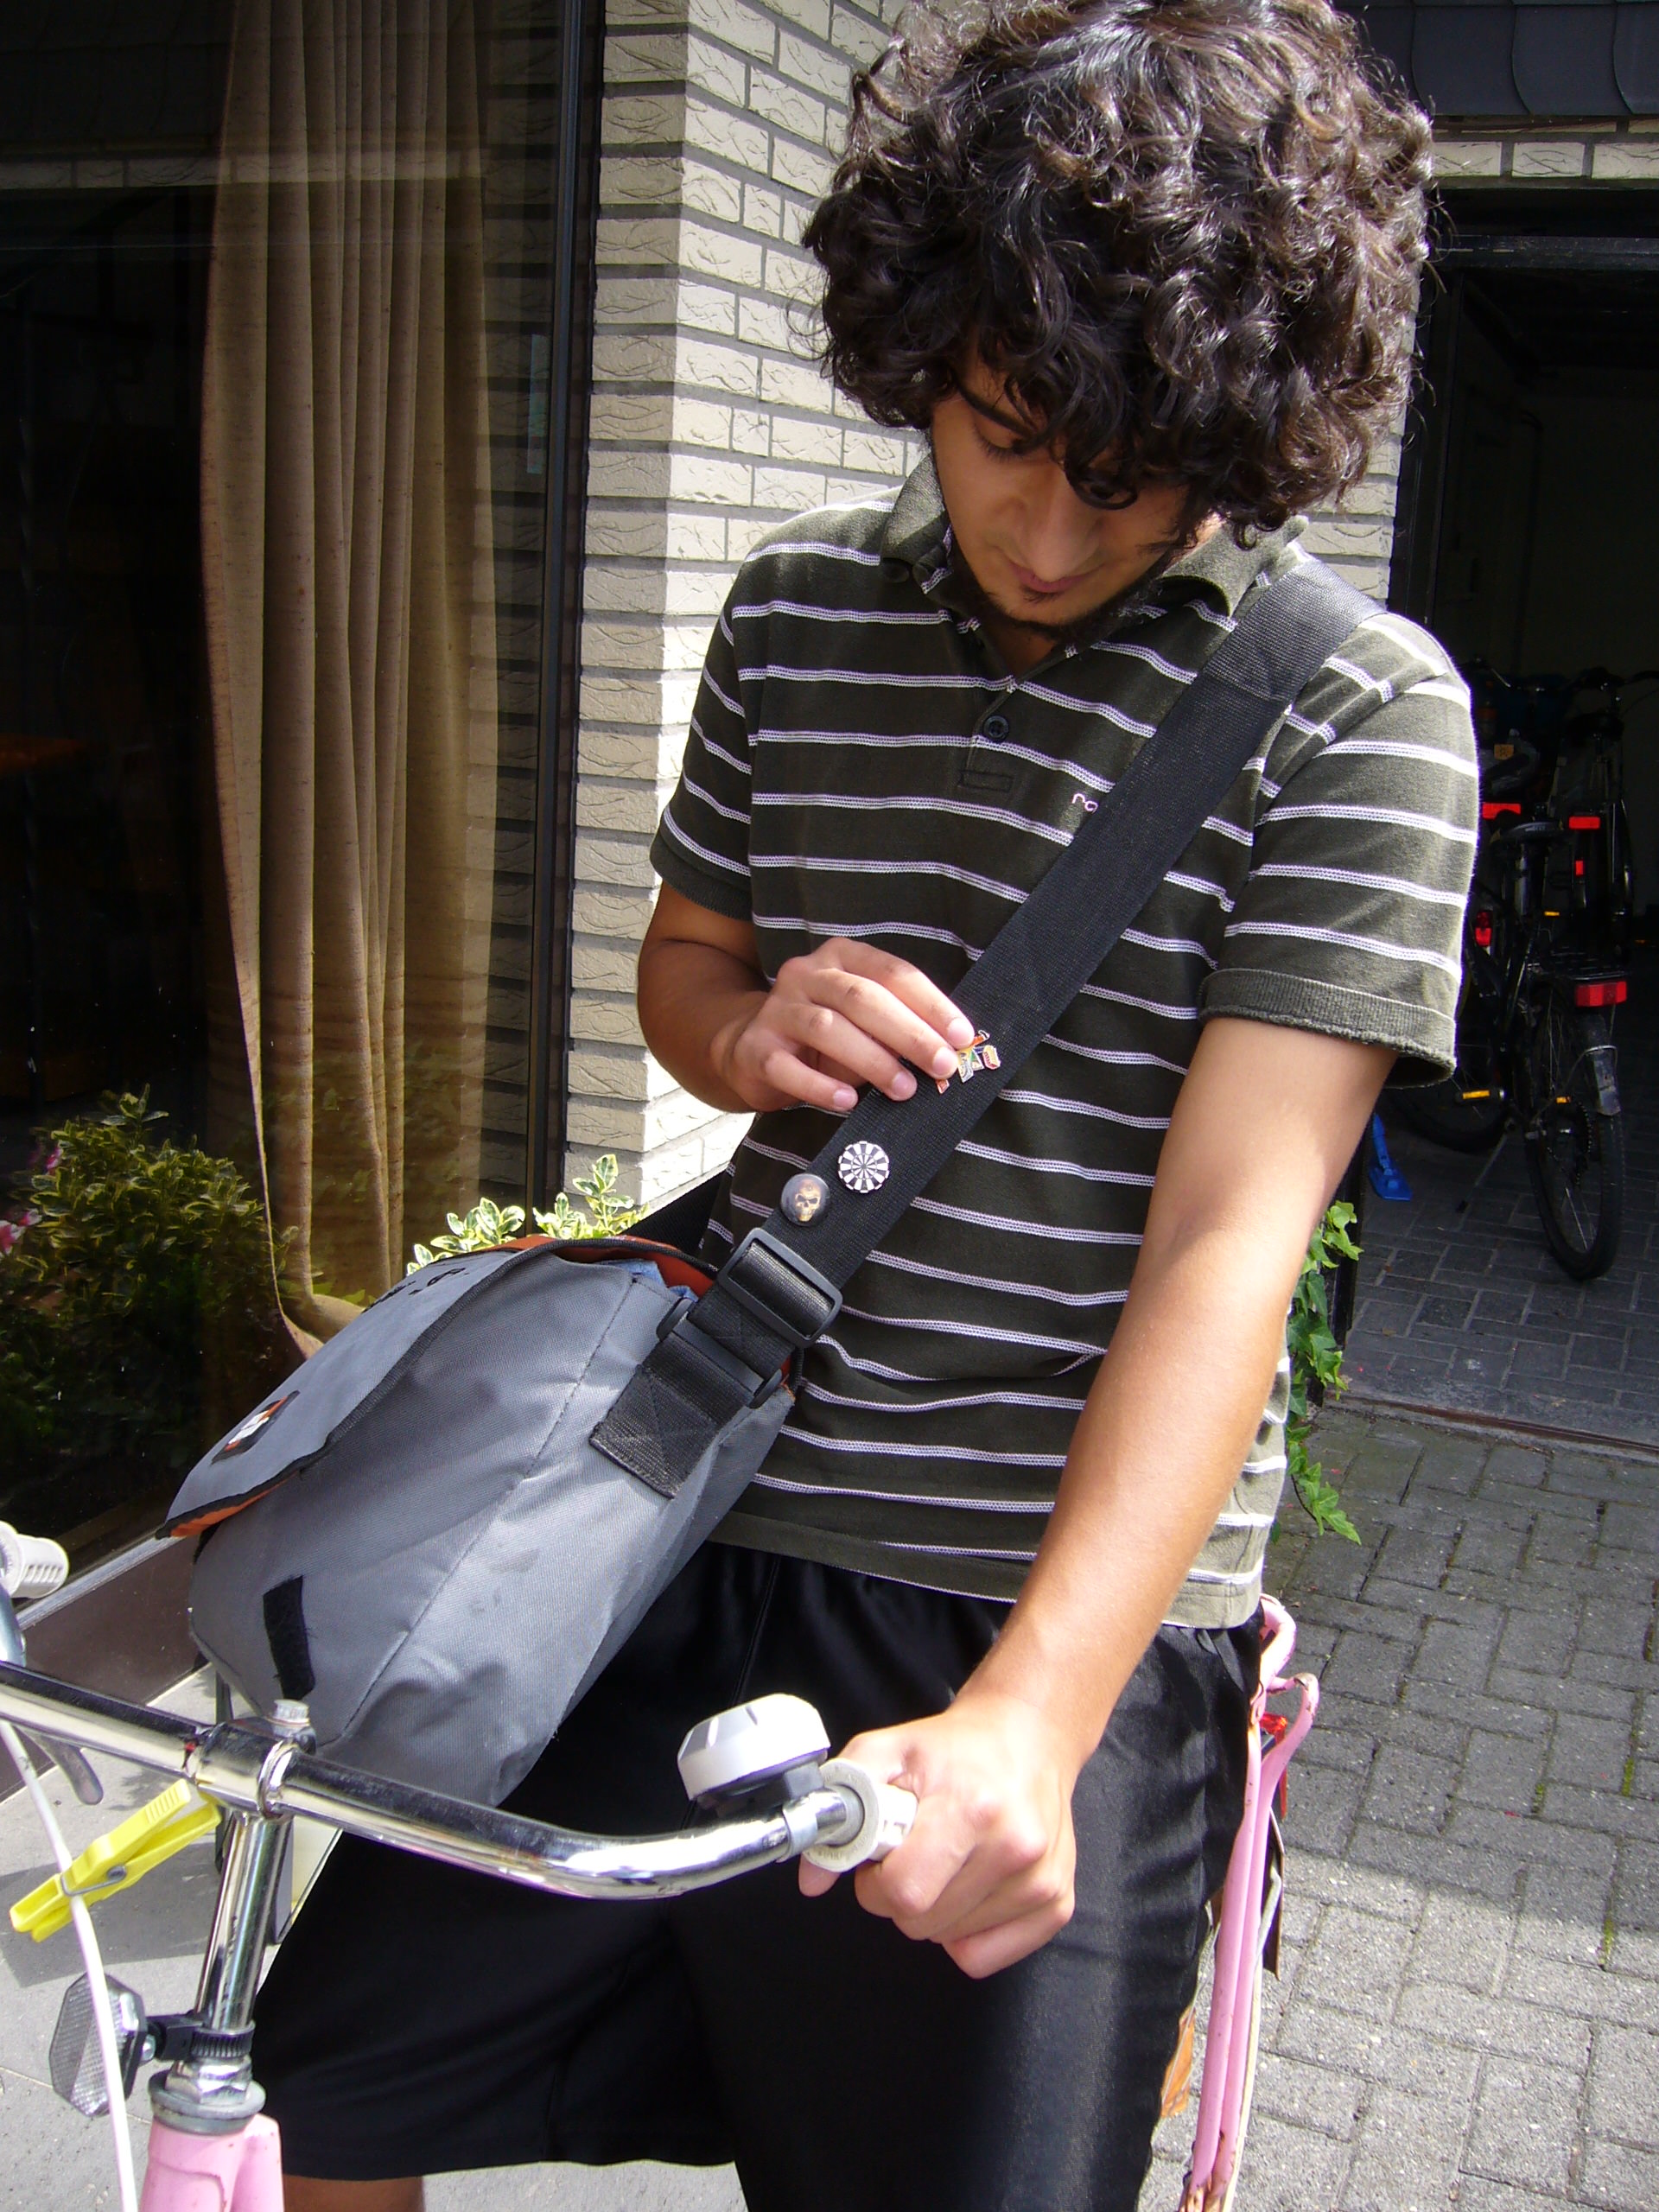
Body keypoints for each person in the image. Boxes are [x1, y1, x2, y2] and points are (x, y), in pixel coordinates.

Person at [251, 3, 1473, 2205]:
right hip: (682, 1510)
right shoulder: (795, 606)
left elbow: (1233, 1240)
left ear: (1251, 432)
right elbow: (688, 973)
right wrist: (751, 1034)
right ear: (927, 346)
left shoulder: (1358, 713)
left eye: (1130, 475)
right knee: (318, 2078)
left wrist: (1035, 1713)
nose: (1049, 524)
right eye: (1006, 432)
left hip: (1034, 1590)